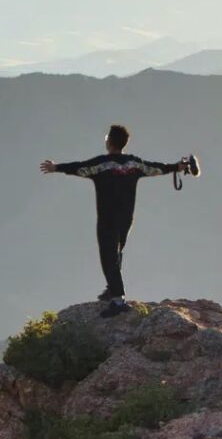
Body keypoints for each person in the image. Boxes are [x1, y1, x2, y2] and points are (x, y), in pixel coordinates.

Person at [40, 124, 187, 318]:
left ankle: (118, 299)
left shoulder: (102, 165)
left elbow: (80, 168)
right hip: (127, 217)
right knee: (116, 252)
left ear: (109, 142)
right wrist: (177, 167)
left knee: (108, 255)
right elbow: (156, 168)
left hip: (108, 217)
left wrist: (56, 167)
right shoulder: (134, 164)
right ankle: (112, 288)